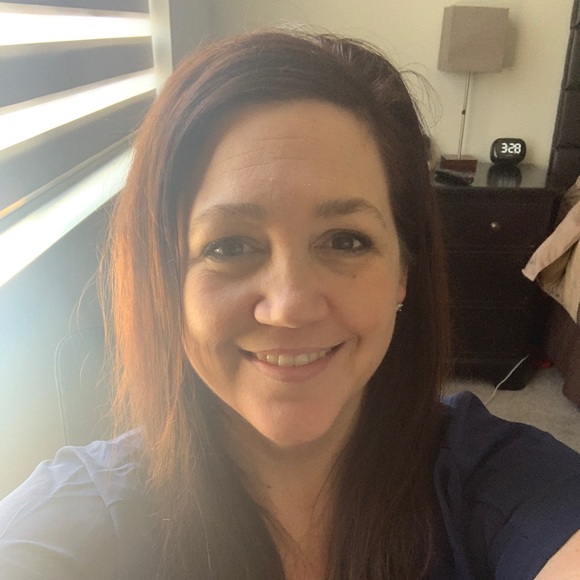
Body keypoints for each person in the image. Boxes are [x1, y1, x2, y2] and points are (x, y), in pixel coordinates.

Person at [0, 30, 579, 580]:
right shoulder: (76, 517)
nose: (290, 307)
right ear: (166, 281)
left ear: (404, 270)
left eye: (346, 241)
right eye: (229, 246)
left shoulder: (505, 481)